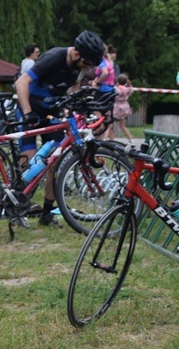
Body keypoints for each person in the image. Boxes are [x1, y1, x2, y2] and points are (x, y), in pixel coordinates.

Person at [14, 30, 106, 224]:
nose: (87, 68)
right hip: (30, 107)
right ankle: (17, 205)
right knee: (30, 164)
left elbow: (72, 88)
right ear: (76, 54)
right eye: (87, 63)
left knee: (54, 162)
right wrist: (27, 111)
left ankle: (47, 212)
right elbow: (22, 82)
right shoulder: (54, 57)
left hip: (51, 110)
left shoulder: (79, 66)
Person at [113, 74, 134, 142]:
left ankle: (107, 139)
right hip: (125, 107)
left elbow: (114, 92)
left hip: (117, 107)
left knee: (110, 125)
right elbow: (131, 89)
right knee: (122, 125)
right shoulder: (128, 89)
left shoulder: (117, 88)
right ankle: (130, 139)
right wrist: (129, 84)